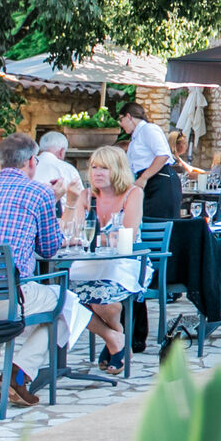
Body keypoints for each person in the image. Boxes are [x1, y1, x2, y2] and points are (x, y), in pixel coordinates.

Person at [0, 132, 69, 407]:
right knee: (65, 305)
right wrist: (53, 199)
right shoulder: (39, 192)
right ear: (31, 161)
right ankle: (18, 374)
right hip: (5, 299)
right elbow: (49, 249)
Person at [65, 145, 149, 373]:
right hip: (90, 262)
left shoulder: (133, 193)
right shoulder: (86, 196)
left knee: (103, 301)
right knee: (65, 296)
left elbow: (127, 237)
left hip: (125, 262)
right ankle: (116, 337)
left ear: (118, 170)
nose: (97, 173)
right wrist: (71, 202)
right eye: (94, 167)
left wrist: (91, 238)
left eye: (104, 168)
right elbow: (73, 231)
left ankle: (114, 339)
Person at [117, 102, 180, 221]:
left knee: (158, 222)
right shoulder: (136, 136)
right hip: (148, 182)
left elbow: (163, 155)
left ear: (129, 116)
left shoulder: (148, 129)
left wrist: (144, 178)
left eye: (121, 119)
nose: (121, 124)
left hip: (160, 181)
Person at [29, 131, 82, 205]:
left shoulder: (28, 165)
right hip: (63, 210)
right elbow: (80, 198)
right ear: (61, 151)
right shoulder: (68, 169)